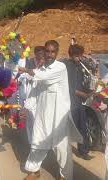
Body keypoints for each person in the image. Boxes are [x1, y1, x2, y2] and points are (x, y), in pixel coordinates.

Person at [19, 40, 82, 180]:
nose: (49, 54)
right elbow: (35, 91)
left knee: (61, 147)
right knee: (37, 141)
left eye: (53, 52)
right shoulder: (41, 69)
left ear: (57, 53)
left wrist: (25, 70)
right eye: (47, 51)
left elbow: (42, 77)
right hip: (42, 113)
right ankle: (34, 170)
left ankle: (65, 175)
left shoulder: (60, 67)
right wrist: (26, 107)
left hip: (58, 115)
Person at [63, 44, 93, 160]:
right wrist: (82, 94)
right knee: (67, 128)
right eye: (78, 56)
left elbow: (81, 82)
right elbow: (68, 86)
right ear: (72, 55)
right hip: (69, 103)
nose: (80, 58)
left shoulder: (79, 65)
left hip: (79, 102)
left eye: (81, 56)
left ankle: (83, 151)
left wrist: (89, 89)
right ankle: (64, 151)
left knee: (82, 127)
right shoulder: (66, 66)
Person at [23, 46, 46, 144]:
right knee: (31, 116)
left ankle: (40, 138)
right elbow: (27, 76)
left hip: (41, 92)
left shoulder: (46, 62)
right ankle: (31, 140)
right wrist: (37, 68)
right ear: (35, 54)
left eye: (42, 54)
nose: (41, 56)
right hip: (31, 90)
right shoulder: (30, 62)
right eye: (39, 54)